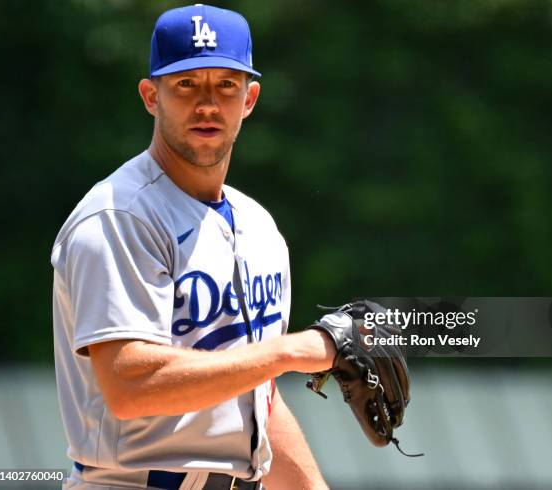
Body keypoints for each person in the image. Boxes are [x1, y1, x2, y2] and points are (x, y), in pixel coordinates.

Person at [51, 4, 335, 490]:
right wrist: (289, 352)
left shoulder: (259, 227)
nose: (207, 103)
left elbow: (254, 393)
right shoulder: (120, 217)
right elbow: (130, 385)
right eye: (186, 84)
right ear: (150, 96)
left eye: (226, 84)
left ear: (249, 99)